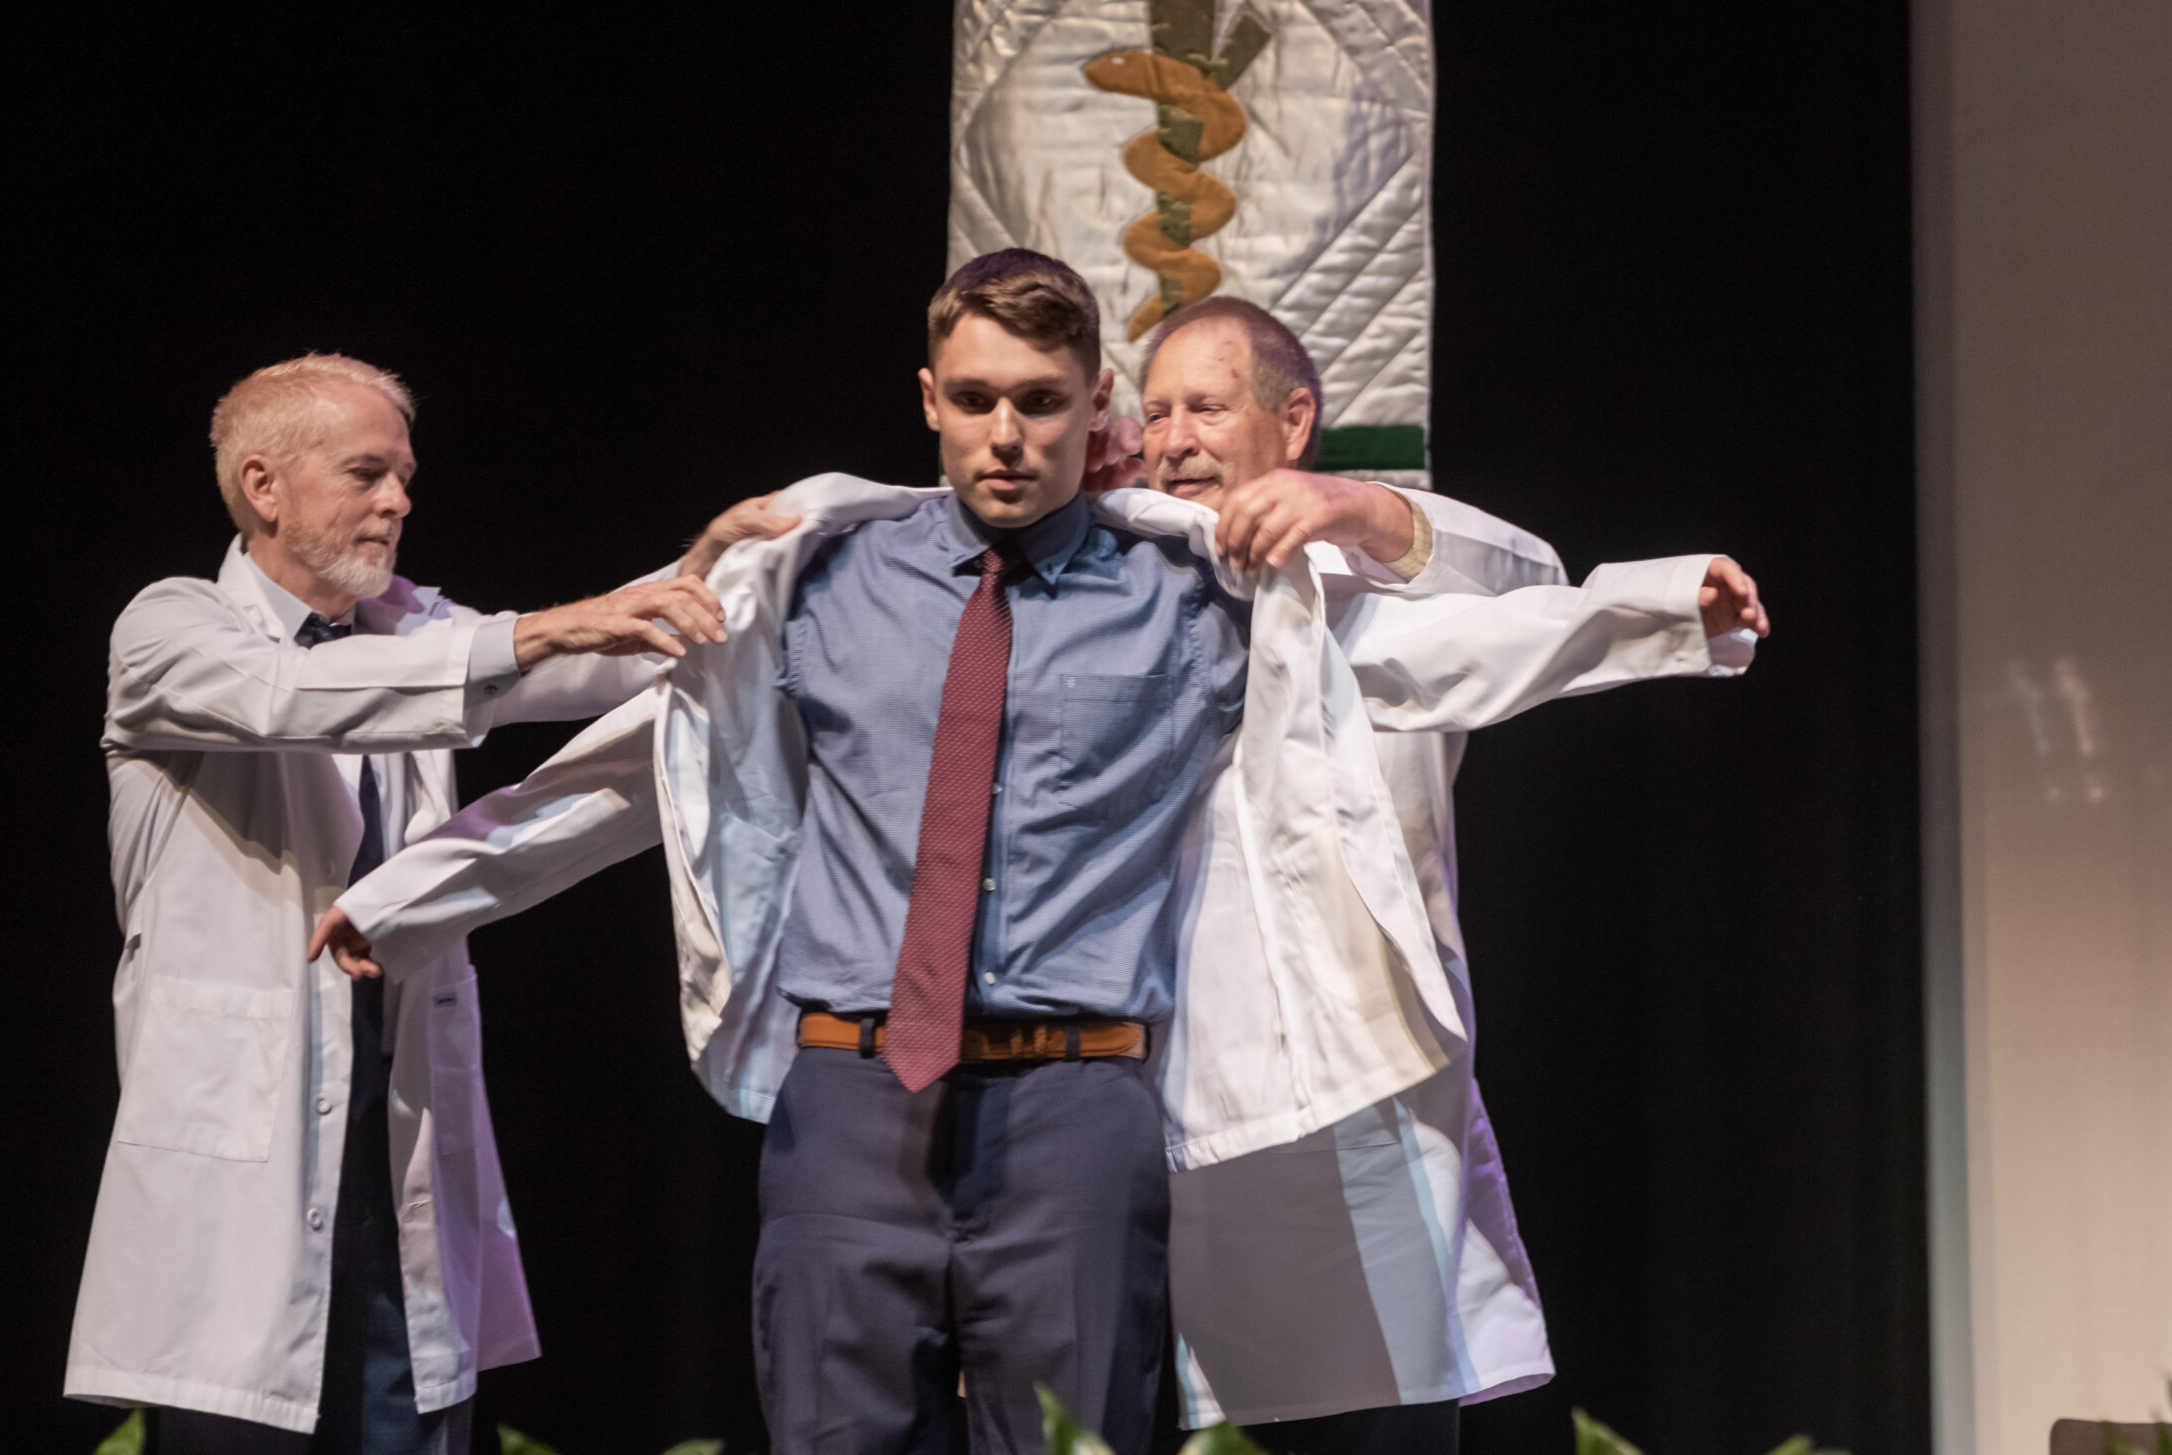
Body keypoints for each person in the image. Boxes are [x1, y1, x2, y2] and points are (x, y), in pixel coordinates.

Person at [309, 251, 1766, 1455]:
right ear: (931, 401)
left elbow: (1452, 634)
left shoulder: (1202, 589)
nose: (1011, 433)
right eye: (984, 400)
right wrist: (424, 887)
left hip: (1103, 1096)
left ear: (1092, 412)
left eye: (1049, 404)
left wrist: (1660, 608)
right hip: (859, 1079)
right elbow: (653, 761)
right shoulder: (830, 569)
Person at [64, 353, 786, 1455]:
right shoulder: (170, 629)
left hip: (390, 1150)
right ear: (263, 486)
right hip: (237, 1189)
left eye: (402, 476)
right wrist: (553, 628)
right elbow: (292, 698)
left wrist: (719, 575)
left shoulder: (409, 628)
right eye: (366, 474)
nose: (398, 501)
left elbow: (592, 666)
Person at [1126, 297, 1763, 1455]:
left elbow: (1521, 603)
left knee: (1382, 1415)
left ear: (1295, 421)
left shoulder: (1367, 592)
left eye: (1206, 407)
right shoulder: (1118, 593)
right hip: (1178, 1090)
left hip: (1371, 1086)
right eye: (1156, 410)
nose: (1172, 437)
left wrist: (1361, 509)